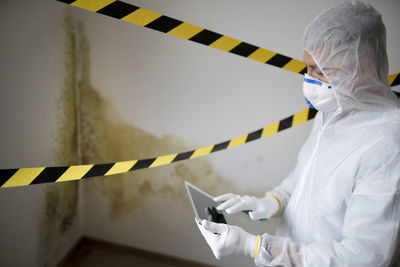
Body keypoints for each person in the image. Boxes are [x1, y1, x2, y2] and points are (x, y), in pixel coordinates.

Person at [196, 1, 400, 266]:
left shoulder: (388, 144)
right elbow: (305, 177)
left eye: (322, 71)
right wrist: (272, 202)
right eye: (307, 67)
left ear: (363, 66)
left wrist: (257, 247)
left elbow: (363, 258)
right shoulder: (333, 112)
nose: (308, 80)